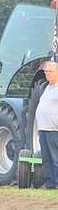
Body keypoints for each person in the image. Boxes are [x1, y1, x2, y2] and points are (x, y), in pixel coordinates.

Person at [36, 61, 58, 190]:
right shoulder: (47, 87)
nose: (48, 74)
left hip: (53, 129)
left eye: (50, 71)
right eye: (46, 72)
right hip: (44, 128)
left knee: (56, 158)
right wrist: (39, 125)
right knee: (46, 158)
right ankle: (49, 183)